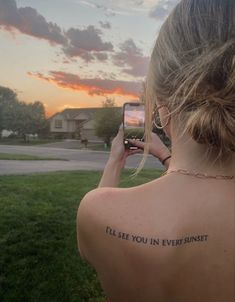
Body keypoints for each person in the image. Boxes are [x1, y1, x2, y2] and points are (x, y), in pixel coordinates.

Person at [77, 0, 235, 301]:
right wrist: (165, 156)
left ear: (160, 106)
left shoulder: (97, 213)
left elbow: (90, 251)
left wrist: (115, 161)